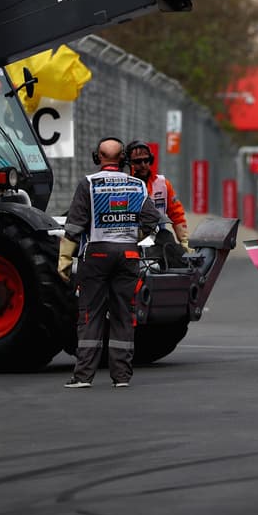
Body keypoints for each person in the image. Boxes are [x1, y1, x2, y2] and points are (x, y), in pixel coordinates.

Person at [60, 137, 160, 389]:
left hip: (96, 255)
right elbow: (151, 220)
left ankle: (83, 376)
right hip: (128, 256)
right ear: (123, 159)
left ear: (98, 157)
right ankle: (122, 377)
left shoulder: (89, 184)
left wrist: (64, 258)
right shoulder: (137, 185)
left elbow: (74, 225)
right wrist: (131, 237)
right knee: (123, 314)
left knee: (90, 314)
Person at [126, 140, 191, 252]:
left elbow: (176, 214)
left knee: (172, 247)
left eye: (146, 160)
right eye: (137, 161)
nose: (143, 165)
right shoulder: (121, 186)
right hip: (128, 240)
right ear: (128, 163)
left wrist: (184, 241)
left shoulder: (163, 184)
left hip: (156, 238)